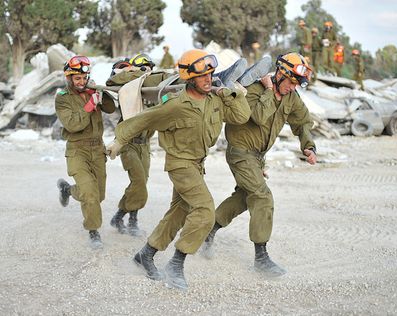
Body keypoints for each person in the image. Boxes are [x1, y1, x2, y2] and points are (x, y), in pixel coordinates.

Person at [106, 49, 251, 290]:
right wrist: (119, 141)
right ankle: (176, 263)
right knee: (205, 211)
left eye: (211, 74)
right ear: (189, 78)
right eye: (203, 76)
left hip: (197, 164)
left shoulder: (215, 99)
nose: (209, 79)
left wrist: (231, 93)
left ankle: (146, 254)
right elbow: (144, 119)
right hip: (180, 164)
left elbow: (241, 116)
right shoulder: (176, 105)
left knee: (179, 212)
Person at [201, 52, 317, 278]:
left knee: (245, 197)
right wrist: (268, 91)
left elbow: (302, 121)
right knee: (262, 196)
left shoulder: (291, 96)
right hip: (240, 153)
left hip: (257, 157)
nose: (293, 88)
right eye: (292, 82)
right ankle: (261, 257)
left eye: (297, 84)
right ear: (281, 74)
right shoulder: (253, 89)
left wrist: (308, 145)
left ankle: (208, 230)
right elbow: (258, 116)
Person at [55, 56, 116, 249]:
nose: (81, 82)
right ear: (69, 78)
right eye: (77, 79)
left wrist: (99, 92)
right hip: (77, 149)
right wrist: (90, 105)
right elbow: (73, 125)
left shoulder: (92, 90)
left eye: (84, 77)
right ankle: (93, 231)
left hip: (97, 149)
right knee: (90, 194)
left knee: (99, 196)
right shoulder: (62, 98)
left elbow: (111, 107)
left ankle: (68, 190)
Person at [106, 53, 167, 236]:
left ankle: (119, 216)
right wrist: (136, 71)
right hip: (128, 143)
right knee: (139, 182)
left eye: (149, 67)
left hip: (144, 144)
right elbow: (112, 80)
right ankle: (132, 221)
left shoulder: (152, 86)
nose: (147, 70)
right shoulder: (130, 82)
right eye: (143, 67)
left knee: (139, 184)